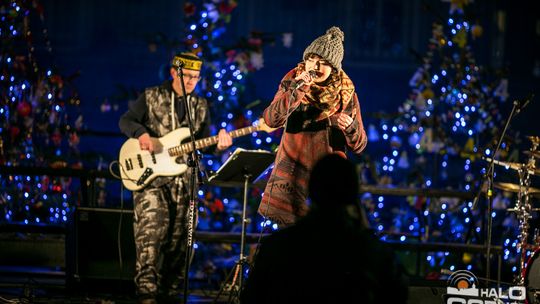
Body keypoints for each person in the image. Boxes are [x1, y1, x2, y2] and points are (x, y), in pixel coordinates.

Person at [118, 52, 232, 304]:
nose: (191, 81)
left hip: (185, 182)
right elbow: (126, 120)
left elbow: (203, 143)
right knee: (150, 235)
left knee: (182, 240)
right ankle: (146, 293)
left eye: (196, 77)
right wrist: (141, 134)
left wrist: (220, 144)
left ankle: (171, 293)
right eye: (187, 76)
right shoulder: (151, 96)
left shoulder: (200, 106)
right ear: (173, 72)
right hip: (151, 179)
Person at [241, 154, 408, 304]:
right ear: (352, 195)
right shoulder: (374, 251)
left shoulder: (276, 246)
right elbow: (397, 295)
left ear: (311, 192)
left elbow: (252, 297)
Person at [258, 26, 368, 226]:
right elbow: (271, 119)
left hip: (329, 180)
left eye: (323, 63)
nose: (315, 67)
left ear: (334, 68)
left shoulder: (346, 91)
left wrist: (351, 128)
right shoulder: (293, 80)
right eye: (311, 59)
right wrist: (297, 90)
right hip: (292, 175)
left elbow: (360, 145)